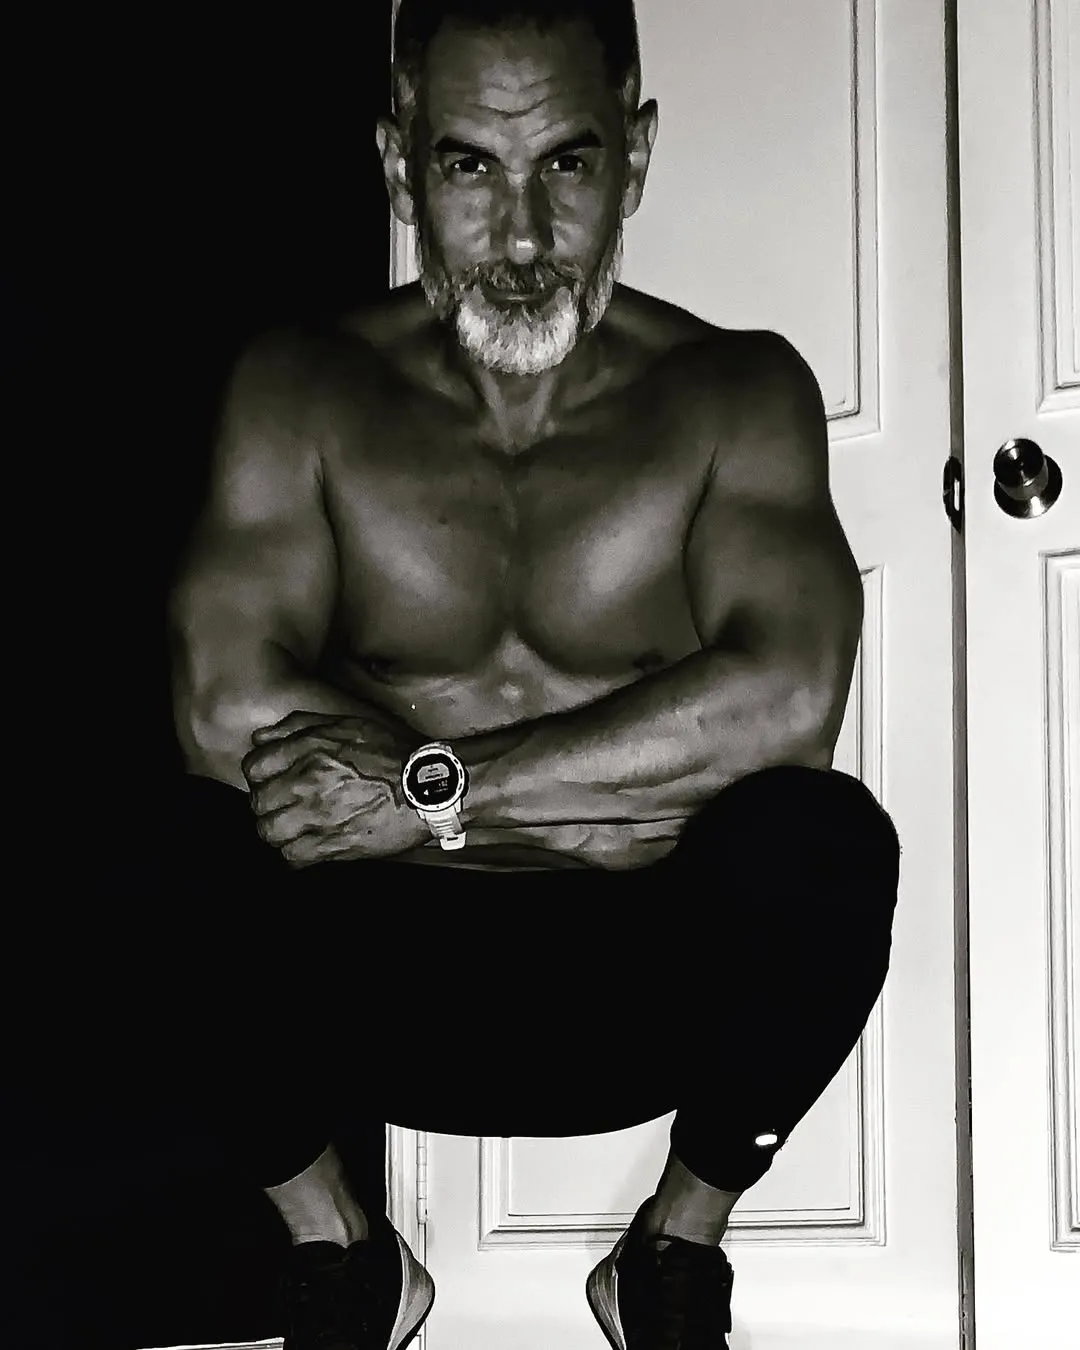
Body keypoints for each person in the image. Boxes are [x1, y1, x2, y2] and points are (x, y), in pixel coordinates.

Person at [160, 1, 903, 1346]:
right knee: (168, 846)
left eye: (566, 163)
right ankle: (342, 1255)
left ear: (637, 154)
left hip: (635, 984)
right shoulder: (303, 389)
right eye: (468, 166)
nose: (518, 237)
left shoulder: (735, 394)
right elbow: (220, 710)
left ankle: (671, 1257)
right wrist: (613, 787)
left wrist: (428, 789)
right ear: (399, 165)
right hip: (376, 972)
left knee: (825, 844)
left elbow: (791, 700)